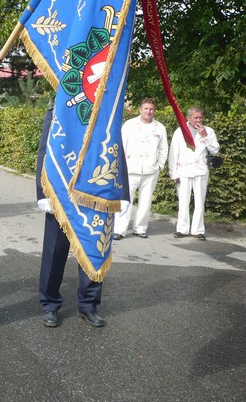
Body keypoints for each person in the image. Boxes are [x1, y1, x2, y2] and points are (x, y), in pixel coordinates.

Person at [36, 107, 130, 328]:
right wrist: (43, 193)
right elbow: (45, 151)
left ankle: (89, 305)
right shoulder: (57, 110)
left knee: (94, 250)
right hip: (61, 191)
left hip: (95, 192)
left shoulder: (105, 109)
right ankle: (49, 304)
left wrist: (122, 192)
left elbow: (116, 149)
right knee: (54, 252)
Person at [113, 98, 168, 240]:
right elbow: (121, 146)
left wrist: (159, 165)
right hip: (131, 169)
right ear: (140, 109)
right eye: (146, 108)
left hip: (150, 170)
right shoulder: (130, 125)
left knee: (145, 201)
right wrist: (121, 166)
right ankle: (119, 230)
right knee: (125, 201)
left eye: (151, 109)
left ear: (154, 111)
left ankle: (140, 228)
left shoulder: (160, 127)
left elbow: (163, 149)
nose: (148, 111)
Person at [168, 107, 220, 240]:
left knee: (199, 202)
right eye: (196, 117)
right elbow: (173, 153)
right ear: (189, 118)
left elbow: (215, 150)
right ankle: (182, 229)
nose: (198, 120)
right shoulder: (180, 131)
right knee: (183, 202)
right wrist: (173, 173)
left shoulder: (208, 131)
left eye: (200, 117)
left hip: (200, 170)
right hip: (183, 171)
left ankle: (198, 230)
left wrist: (205, 136)